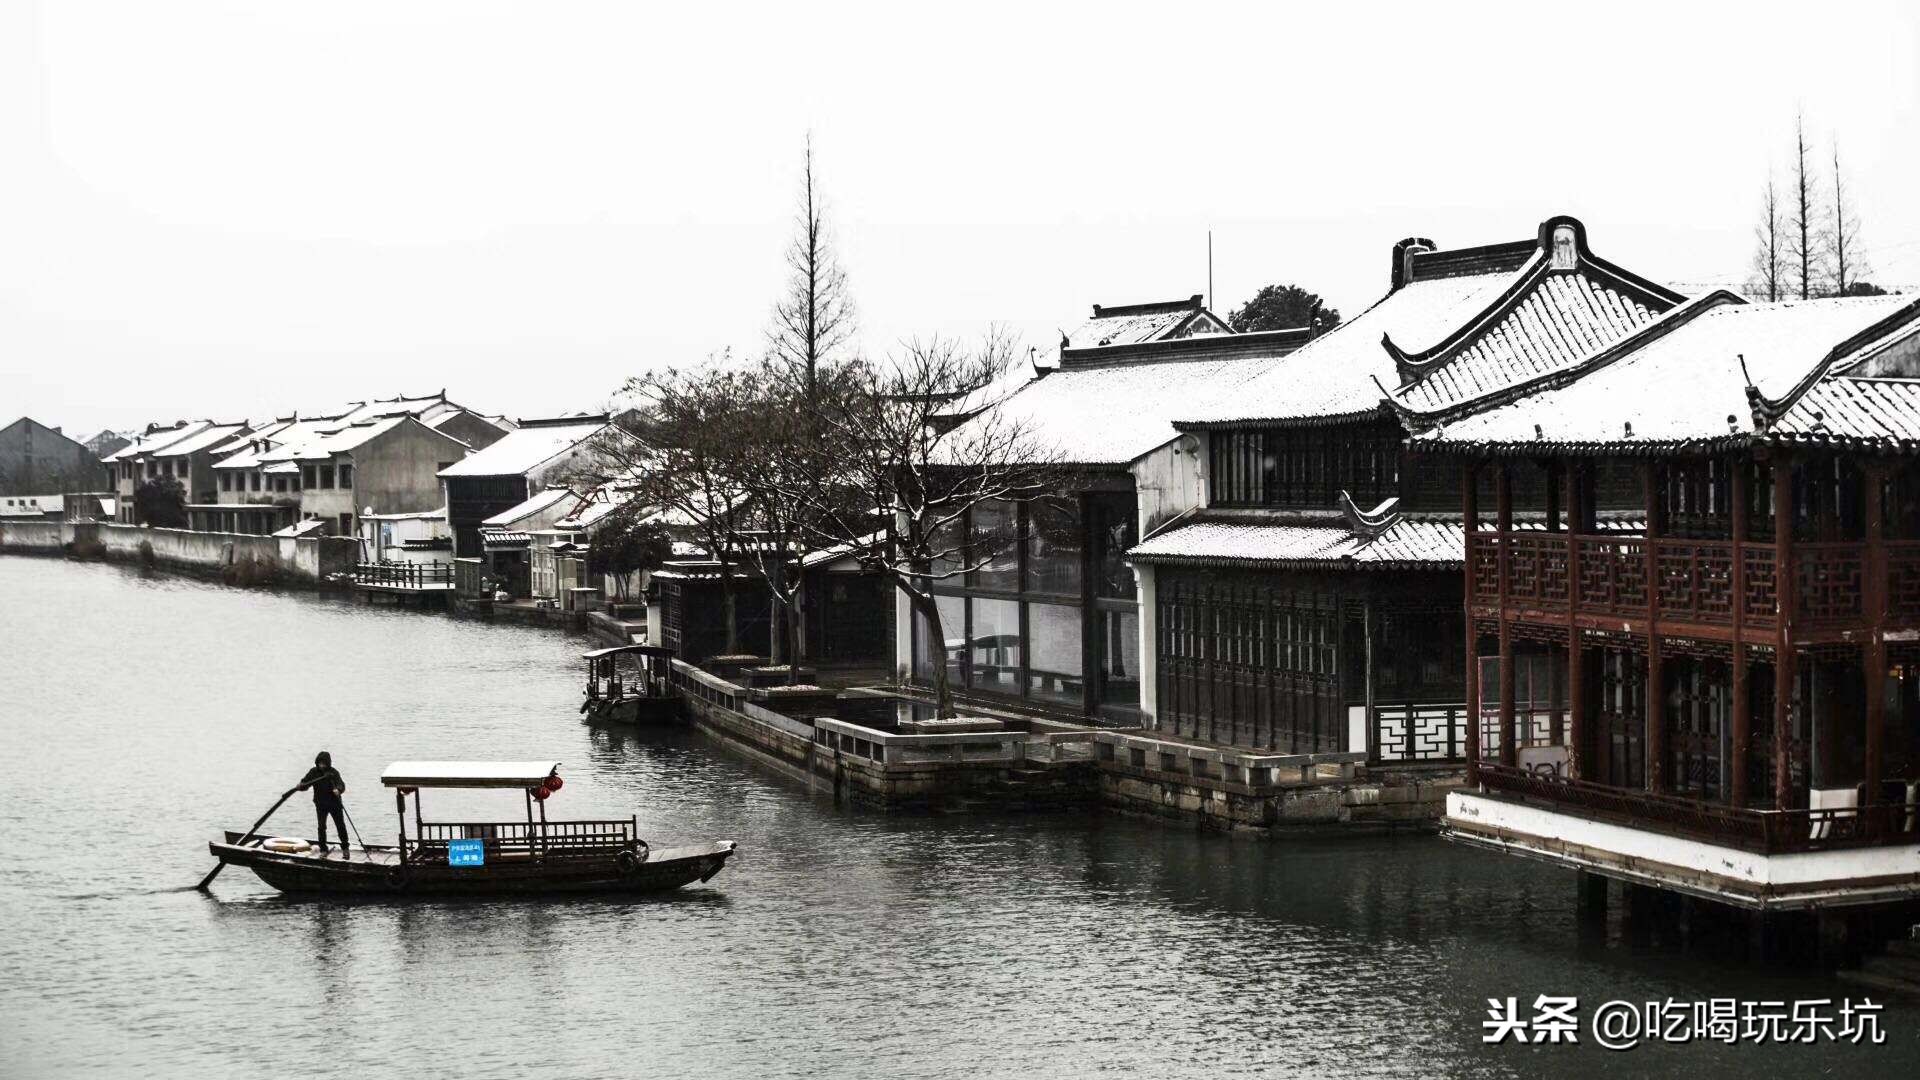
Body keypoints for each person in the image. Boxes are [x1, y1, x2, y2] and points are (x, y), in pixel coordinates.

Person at [297, 751, 350, 857]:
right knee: (321, 827)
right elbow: (305, 782)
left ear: (328, 763)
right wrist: (301, 785)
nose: (322, 765)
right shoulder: (313, 772)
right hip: (321, 804)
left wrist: (338, 790)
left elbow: (341, 785)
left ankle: (345, 848)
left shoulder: (333, 772)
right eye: (320, 763)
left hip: (335, 804)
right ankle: (323, 849)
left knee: (340, 826)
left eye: (324, 763)